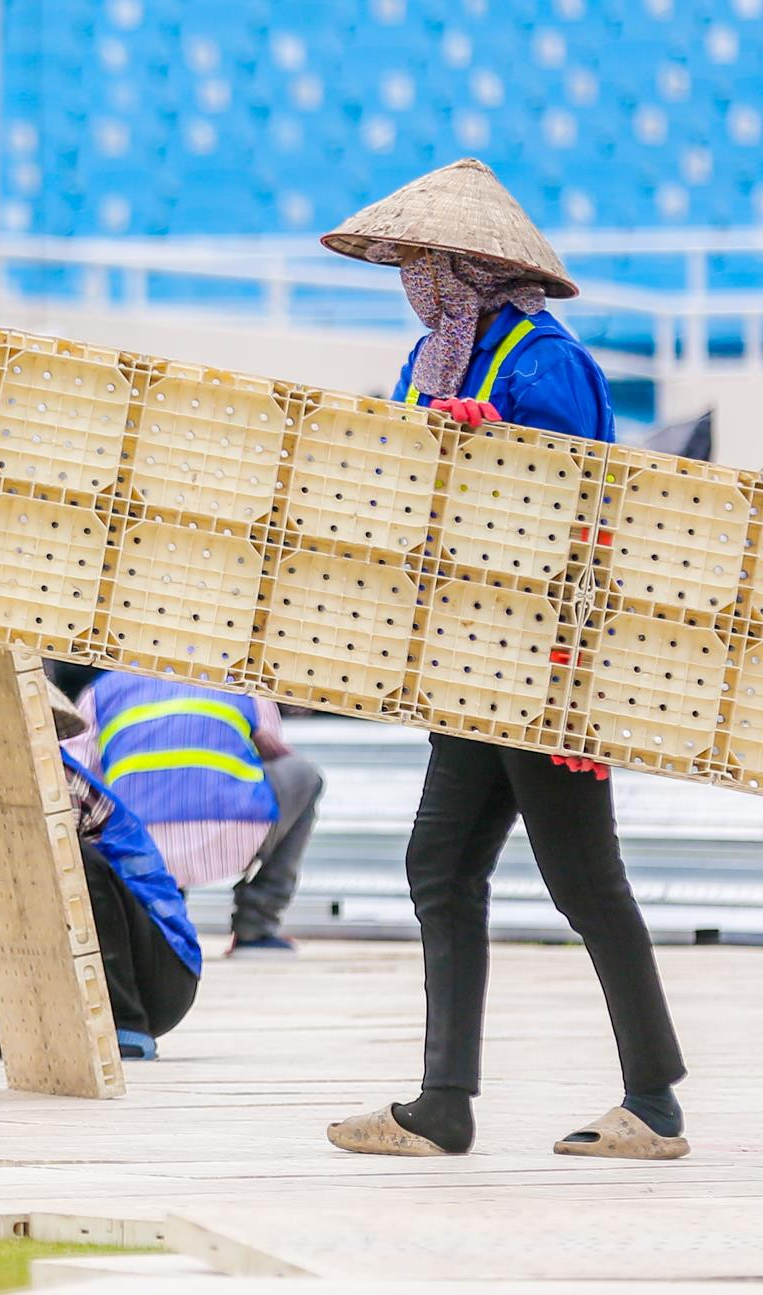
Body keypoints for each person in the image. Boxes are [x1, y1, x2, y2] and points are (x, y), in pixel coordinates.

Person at [319, 158, 688, 1160]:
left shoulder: (543, 364)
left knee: (581, 880)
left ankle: (652, 1102)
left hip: (543, 660)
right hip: (465, 658)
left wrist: (493, 450)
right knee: (437, 862)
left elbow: (580, 511)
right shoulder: (428, 361)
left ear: (467, 268)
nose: (411, 282)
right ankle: (443, 1106)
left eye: (424, 264)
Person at [0, 682, 200, 1065]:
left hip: (154, 980)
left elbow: (42, 906)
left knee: (73, 867)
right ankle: (35, 1020)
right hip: (70, 946)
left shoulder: (56, 787)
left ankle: (124, 1026)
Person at [68, 674, 324, 957]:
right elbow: (275, 751)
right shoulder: (244, 683)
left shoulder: (100, 692)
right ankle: (256, 927)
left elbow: (76, 773)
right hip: (231, 838)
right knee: (304, 776)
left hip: (138, 848)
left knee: (93, 797)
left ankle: (161, 916)